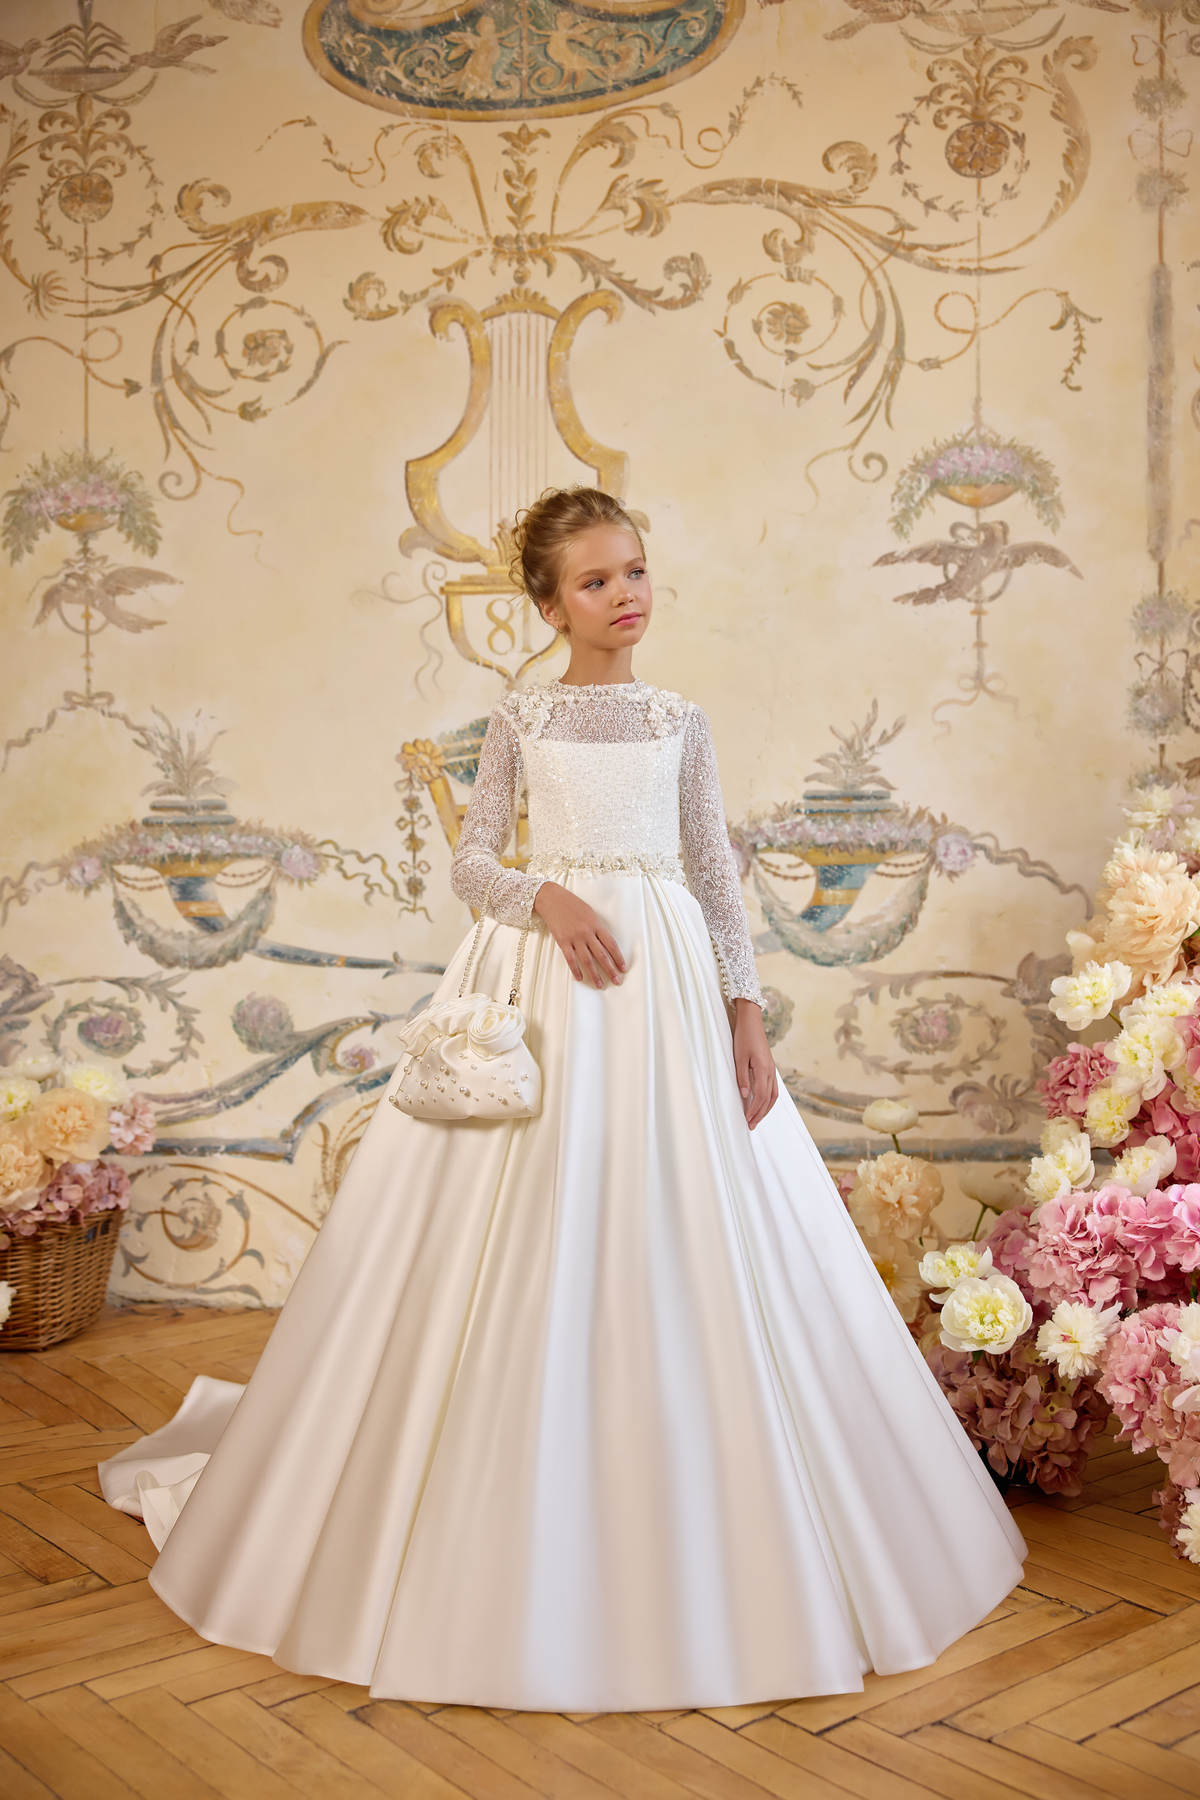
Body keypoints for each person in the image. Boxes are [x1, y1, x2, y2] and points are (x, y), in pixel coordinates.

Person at [101, 486, 1025, 1710]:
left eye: (634, 570)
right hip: (549, 979)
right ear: (548, 606)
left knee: (689, 1214)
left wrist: (747, 1014)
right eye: (595, 581)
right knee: (524, 1213)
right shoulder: (523, 715)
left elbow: (713, 875)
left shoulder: (679, 719)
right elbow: (472, 860)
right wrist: (548, 894)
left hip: (669, 986)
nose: (624, 594)